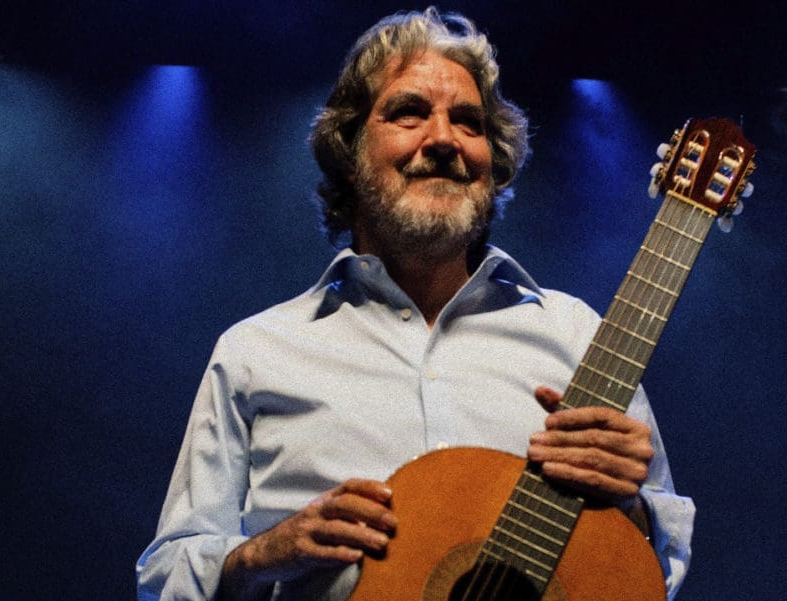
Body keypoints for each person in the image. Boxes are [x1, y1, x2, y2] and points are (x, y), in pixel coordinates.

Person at [136, 7, 695, 600]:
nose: (443, 140)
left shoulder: (578, 335)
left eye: (468, 122)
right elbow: (164, 578)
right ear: (349, 152)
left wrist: (628, 504)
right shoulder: (256, 353)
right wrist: (261, 553)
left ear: (493, 163)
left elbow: (661, 567)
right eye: (408, 114)